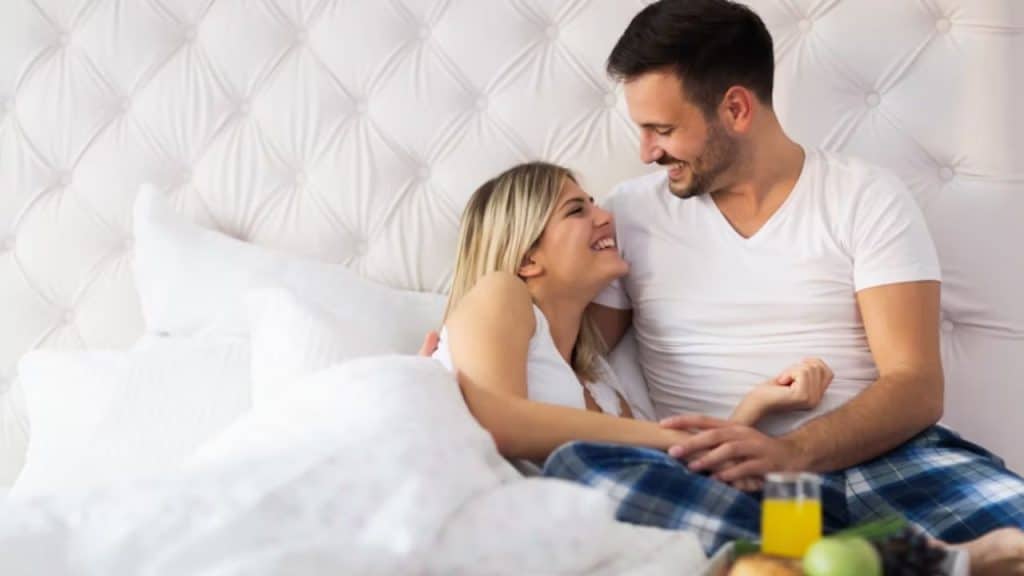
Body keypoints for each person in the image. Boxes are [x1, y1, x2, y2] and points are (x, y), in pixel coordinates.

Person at [526, 0, 1024, 571]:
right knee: (579, 467)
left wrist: (792, 452)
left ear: (736, 108)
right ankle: (918, 562)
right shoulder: (629, 215)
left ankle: (815, 562)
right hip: (726, 483)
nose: (647, 152)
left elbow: (915, 386)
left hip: (887, 462)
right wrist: (476, 328)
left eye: (662, 130)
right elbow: (563, 350)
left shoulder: (863, 197)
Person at [431, 161, 834, 491]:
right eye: (576, 210)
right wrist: (668, 437)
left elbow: (674, 473)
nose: (605, 217)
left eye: (593, 205)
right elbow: (502, 424)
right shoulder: (500, 291)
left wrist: (756, 404)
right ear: (527, 260)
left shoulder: (600, 381)